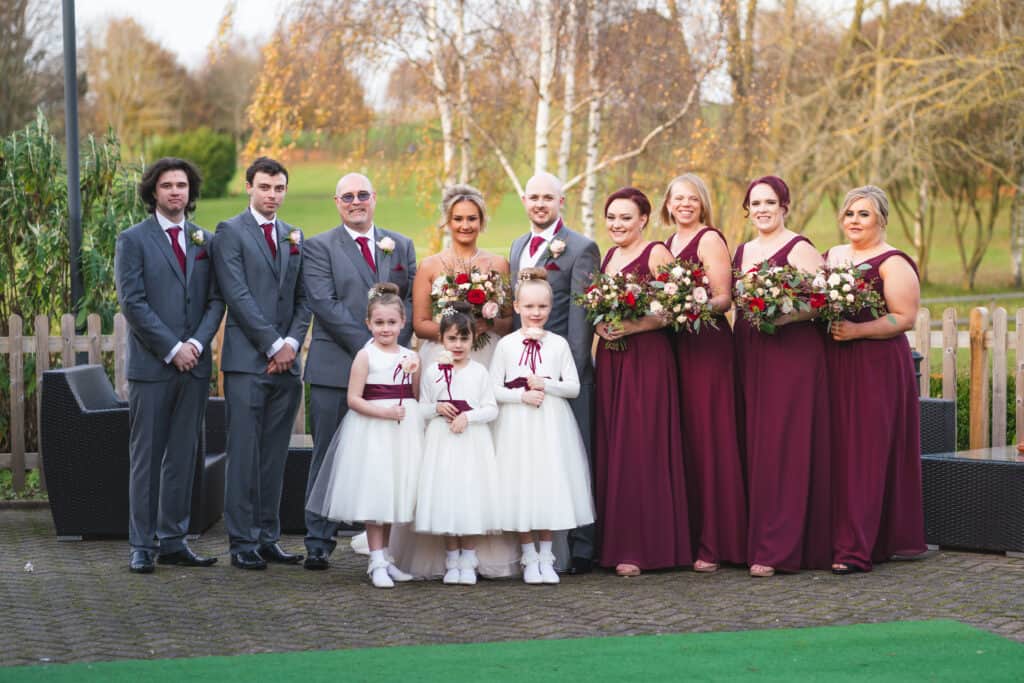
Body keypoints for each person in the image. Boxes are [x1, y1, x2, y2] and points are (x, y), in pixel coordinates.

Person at [301, 173, 417, 571]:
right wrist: (371, 349)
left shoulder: (400, 245)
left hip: (391, 379)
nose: (356, 202)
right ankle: (318, 541)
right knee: (328, 453)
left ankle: (383, 547)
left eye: (362, 195)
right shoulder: (319, 247)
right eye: (347, 196)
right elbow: (323, 302)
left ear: (374, 198)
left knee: (384, 459)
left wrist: (395, 348)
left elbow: (412, 302)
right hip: (336, 366)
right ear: (336, 202)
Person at [115, 157, 224, 574]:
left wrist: (195, 343)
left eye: (181, 185)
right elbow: (133, 303)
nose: (175, 191)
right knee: (147, 458)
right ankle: (141, 545)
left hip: (194, 366)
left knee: (183, 455)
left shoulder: (205, 241)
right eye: (166, 186)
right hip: (153, 368)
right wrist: (172, 347)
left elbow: (217, 299)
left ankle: (174, 540)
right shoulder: (133, 240)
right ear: (153, 193)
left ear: (190, 193)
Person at [212, 157, 311, 570]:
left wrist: (290, 343)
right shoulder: (229, 233)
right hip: (246, 363)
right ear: (249, 187)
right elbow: (236, 294)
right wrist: (272, 345)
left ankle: (269, 537)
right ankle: (242, 542)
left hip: (287, 365)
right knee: (244, 453)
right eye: (266, 187)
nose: (273, 195)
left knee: (274, 455)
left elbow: (304, 298)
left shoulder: (294, 235)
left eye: (279, 188)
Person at [731, 175, 831, 577]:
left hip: (791, 356)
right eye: (755, 204)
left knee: (783, 445)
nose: (762, 210)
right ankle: (751, 539)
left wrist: (783, 314)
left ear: (785, 206)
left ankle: (778, 547)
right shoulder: (742, 250)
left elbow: (824, 301)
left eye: (769, 202)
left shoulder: (800, 248)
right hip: (750, 352)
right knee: (754, 445)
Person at [825, 185, 926, 574]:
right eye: (849, 213)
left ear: (881, 218)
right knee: (836, 450)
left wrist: (856, 331)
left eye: (864, 214)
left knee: (865, 453)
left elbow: (904, 318)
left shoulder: (893, 261)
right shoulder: (832, 255)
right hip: (833, 363)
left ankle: (856, 549)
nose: (854, 220)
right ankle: (831, 538)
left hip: (875, 365)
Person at [593, 187, 692, 577]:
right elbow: (599, 308)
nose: (617, 224)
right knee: (616, 444)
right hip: (613, 360)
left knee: (642, 445)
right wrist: (600, 324)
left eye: (625, 218)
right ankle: (614, 543)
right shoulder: (609, 256)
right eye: (612, 217)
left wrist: (631, 326)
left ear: (643, 220)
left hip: (648, 359)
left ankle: (644, 547)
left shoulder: (656, 254)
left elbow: (676, 310)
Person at [510, 172, 601, 574]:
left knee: (572, 456)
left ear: (561, 201)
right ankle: (531, 547)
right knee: (531, 460)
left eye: (548, 197)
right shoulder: (516, 246)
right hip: (521, 375)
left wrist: (569, 378)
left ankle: (581, 547)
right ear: (525, 201)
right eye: (533, 197)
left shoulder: (581, 248)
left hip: (562, 372)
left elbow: (581, 320)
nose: (540, 204)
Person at [305, 284, 423, 588]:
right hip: (373, 431)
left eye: (391, 322)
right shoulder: (365, 356)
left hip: (403, 432)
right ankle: (376, 561)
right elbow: (353, 399)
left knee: (396, 492)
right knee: (377, 493)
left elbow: (414, 393)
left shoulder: (411, 355)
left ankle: (388, 557)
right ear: (368, 323)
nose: (386, 328)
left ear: (403, 322)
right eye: (379, 322)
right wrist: (383, 413)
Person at [658, 174, 747, 573]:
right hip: (676, 345)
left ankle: (716, 540)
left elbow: (724, 299)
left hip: (707, 344)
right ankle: (686, 534)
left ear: (703, 203)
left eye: (693, 198)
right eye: (678, 198)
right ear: (667, 204)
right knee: (686, 439)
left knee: (711, 438)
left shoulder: (709, 239)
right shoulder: (665, 245)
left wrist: (687, 308)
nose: (685, 204)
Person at [490, 268, 596, 585]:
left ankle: (547, 554)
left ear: (550, 309)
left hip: (551, 425)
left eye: (543, 307)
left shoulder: (558, 344)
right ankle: (528, 554)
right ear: (518, 307)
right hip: (517, 425)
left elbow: (574, 387)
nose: (536, 313)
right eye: (530, 307)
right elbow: (493, 389)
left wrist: (546, 384)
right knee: (520, 483)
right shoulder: (506, 345)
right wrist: (520, 394)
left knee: (549, 482)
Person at [415, 305, 502, 585]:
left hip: (472, 443)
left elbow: (491, 409)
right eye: (452, 339)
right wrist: (438, 408)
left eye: (464, 339)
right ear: (442, 340)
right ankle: (452, 558)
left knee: (470, 496)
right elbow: (421, 409)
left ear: (473, 339)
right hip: (442, 442)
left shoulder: (479, 372)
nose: (458, 345)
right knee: (447, 496)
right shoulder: (432, 372)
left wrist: (469, 416)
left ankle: (469, 557)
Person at [412, 184, 513, 368]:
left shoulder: (499, 264)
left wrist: (489, 325)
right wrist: (455, 332)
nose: (465, 226)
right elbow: (420, 325)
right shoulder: (429, 266)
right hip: (443, 355)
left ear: (481, 221)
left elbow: (509, 321)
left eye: (472, 219)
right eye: (458, 219)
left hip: (487, 356)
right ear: (448, 222)